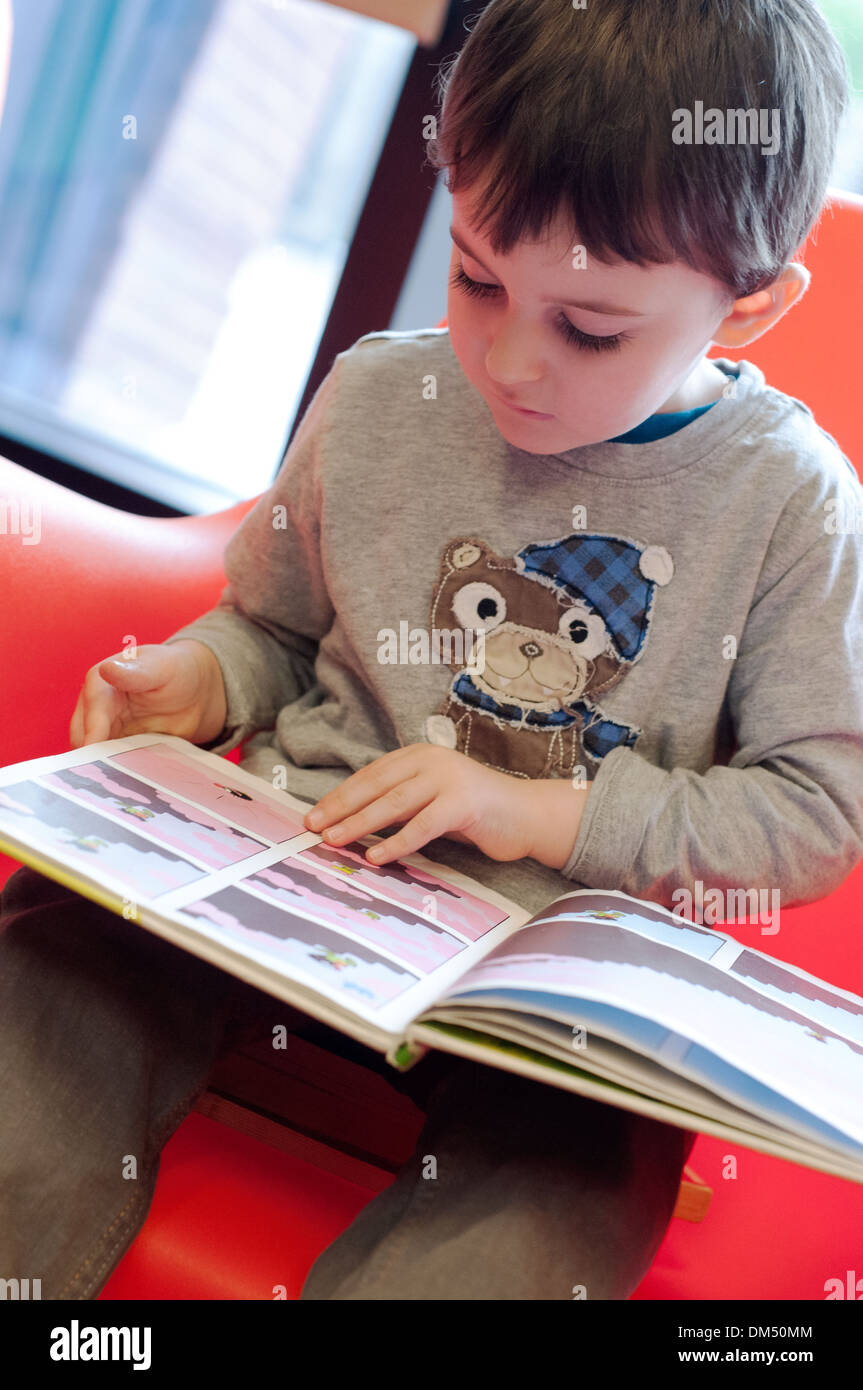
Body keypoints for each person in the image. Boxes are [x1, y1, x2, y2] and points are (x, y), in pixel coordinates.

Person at [2, 0, 862, 1301]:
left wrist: (532, 811)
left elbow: (814, 813)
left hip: (554, 1009)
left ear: (749, 307)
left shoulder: (793, 511)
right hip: (275, 890)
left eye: (591, 327)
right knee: (35, 996)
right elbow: (272, 625)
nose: (509, 359)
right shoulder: (377, 399)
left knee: (545, 1219)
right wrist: (199, 677)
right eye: (473, 275)